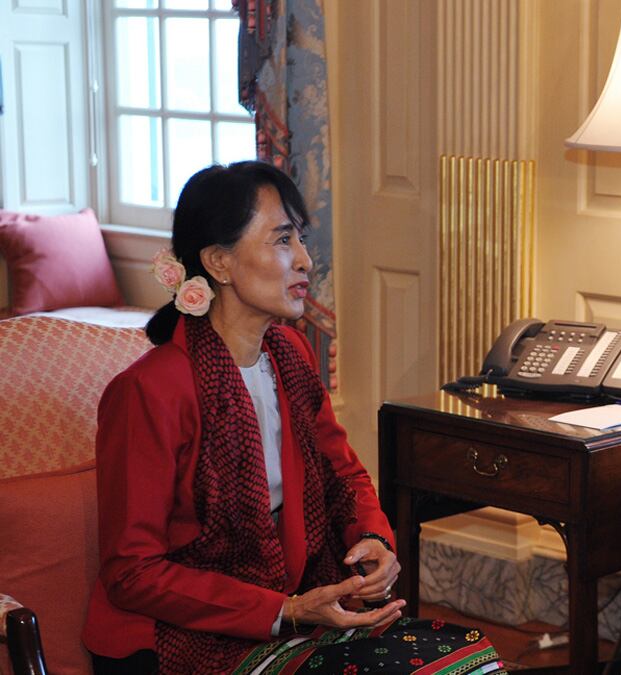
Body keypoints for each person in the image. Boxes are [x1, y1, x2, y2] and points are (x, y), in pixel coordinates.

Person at [83, 161, 505, 675]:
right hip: (170, 640)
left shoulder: (290, 353)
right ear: (218, 262)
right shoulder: (148, 390)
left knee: (471, 661)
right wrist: (283, 610)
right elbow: (131, 572)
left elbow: (343, 476)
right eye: (283, 240)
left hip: (291, 607)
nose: (305, 260)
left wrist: (373, 540)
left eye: (300, 239)